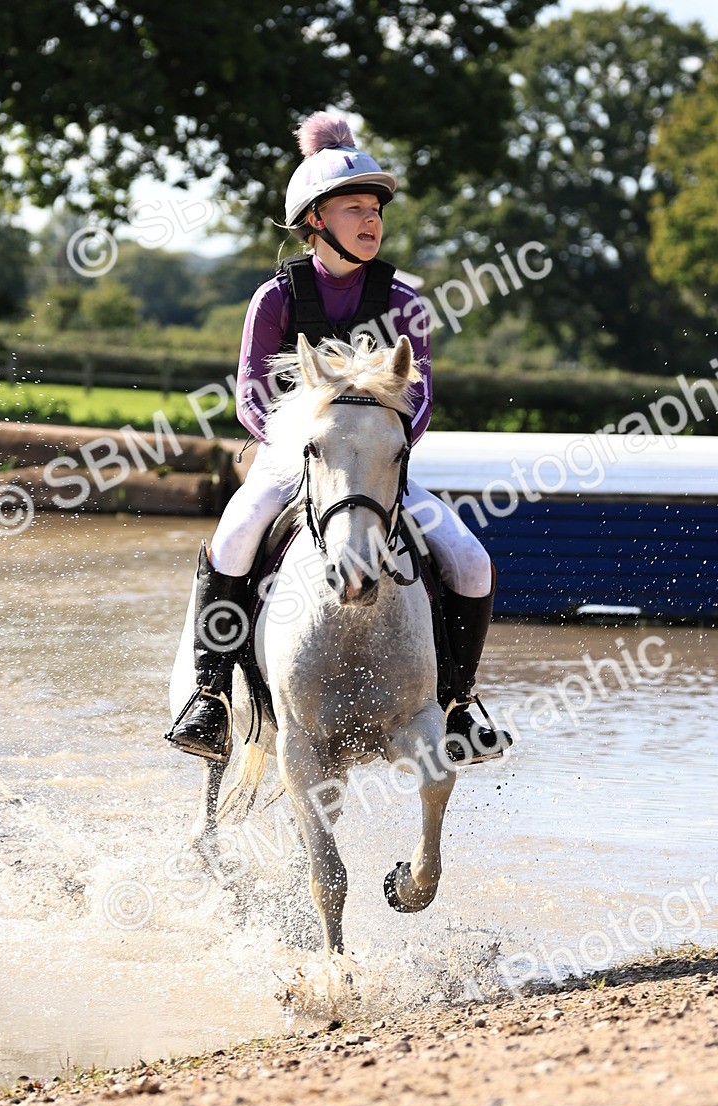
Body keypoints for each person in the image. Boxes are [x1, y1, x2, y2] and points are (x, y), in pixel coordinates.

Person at [167, 112, 505, 765]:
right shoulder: (274, 299)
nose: (372, 219)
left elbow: (422, 393)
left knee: (470, 561)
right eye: (354, 207)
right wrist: (299, 456)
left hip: (377, 472)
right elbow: (248, 395)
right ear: (316, 220)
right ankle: (209, 695)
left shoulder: (406, 301)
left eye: (376, 207)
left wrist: (388, 452)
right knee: (234, 539)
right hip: (291, 465)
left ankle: (460, 705)